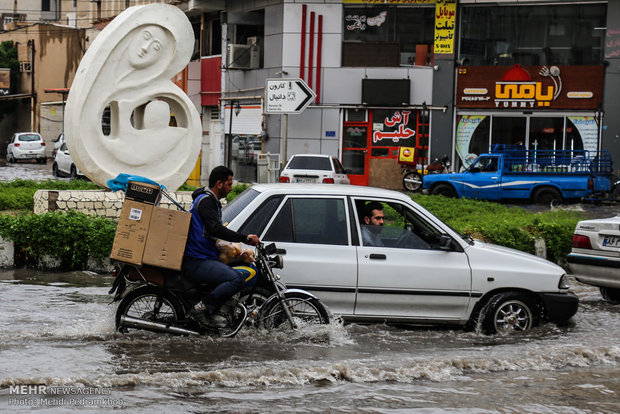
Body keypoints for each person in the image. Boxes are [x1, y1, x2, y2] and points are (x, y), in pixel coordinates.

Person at [182, 166, 260, 328]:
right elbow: (216, 229)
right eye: (229, 184)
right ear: (219, 184)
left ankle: (217, 310)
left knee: (242, 267)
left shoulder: (210, 201)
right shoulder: (206, 201)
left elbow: (211, 234)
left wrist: (237, 253)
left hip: (204, 256)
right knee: (235, 278)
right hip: (197, 259)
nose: (231, 188)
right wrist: (245, 238)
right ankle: (202, 308)